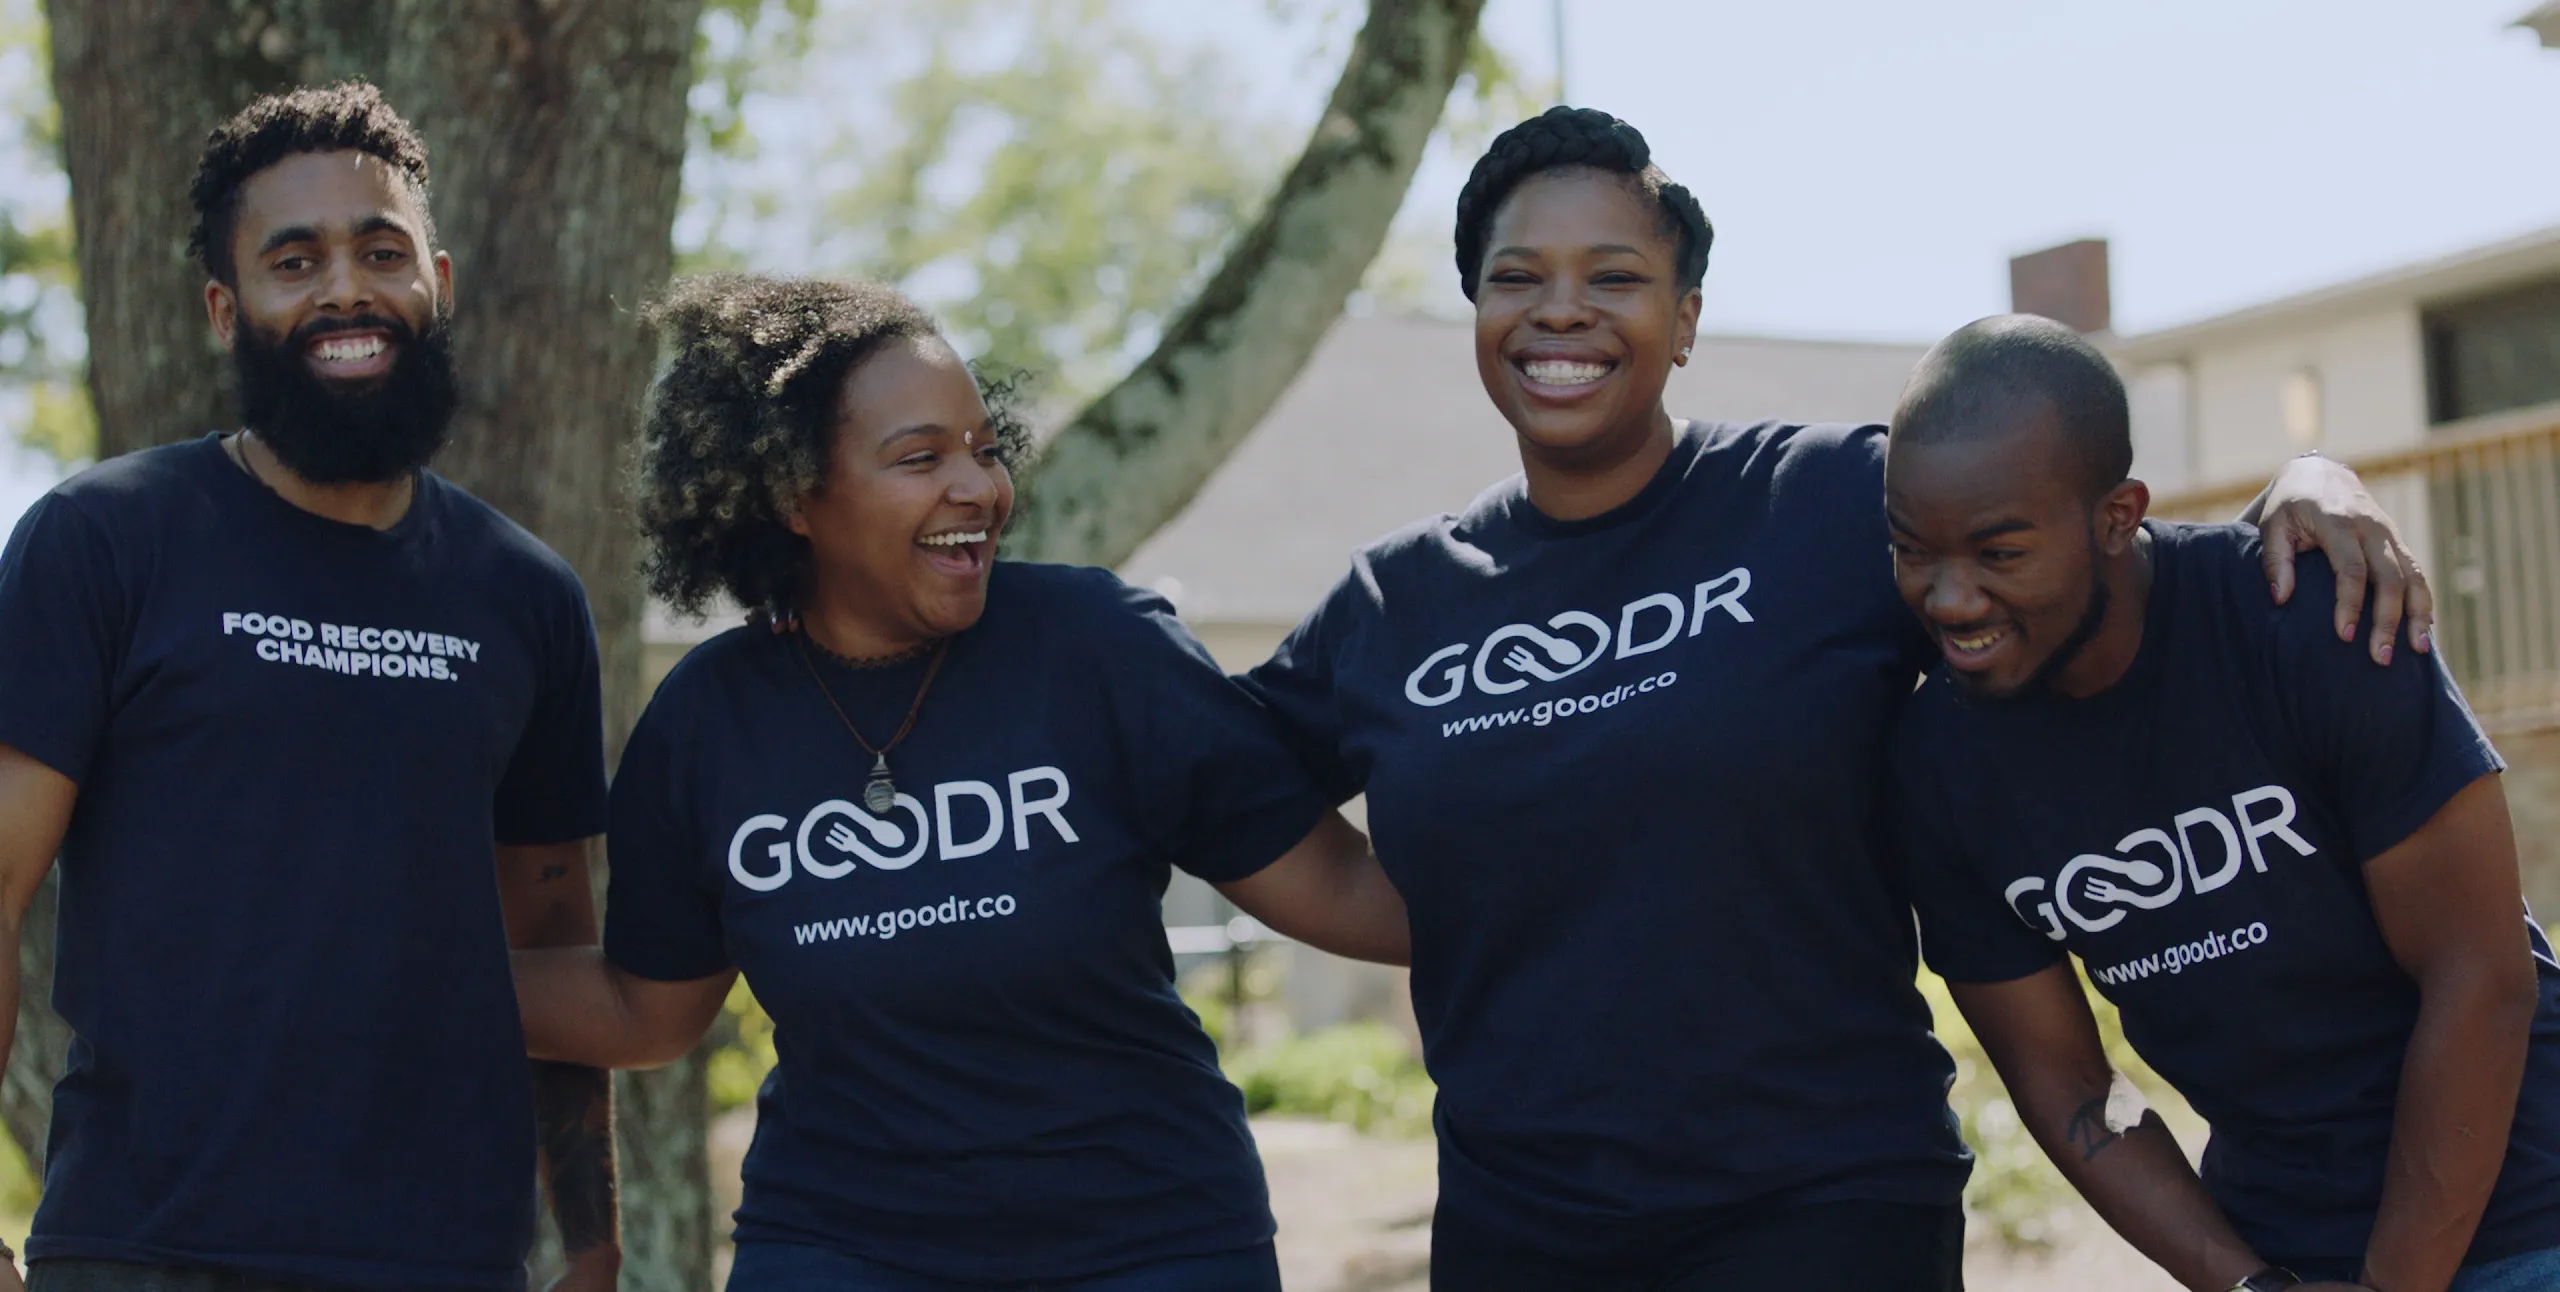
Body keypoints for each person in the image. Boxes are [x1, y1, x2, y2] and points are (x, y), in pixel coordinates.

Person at [1238, 106, 2437, 1291]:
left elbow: (2089, 556)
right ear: (1480, 311)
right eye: (1518, 277)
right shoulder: (1396, 603)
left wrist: (2311, 473)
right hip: (1520, 1220)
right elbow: (1218, 786)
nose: (1562, 310)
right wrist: (1476, 899)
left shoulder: (1821, 506)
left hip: (1825, 1198)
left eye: (1615, 276)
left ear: (1686, 318)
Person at [510, 273, 1409, 1292]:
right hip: (842, 1244)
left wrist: (1578, 903)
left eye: (984, 447)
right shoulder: (707, 723)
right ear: (793, 493)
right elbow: (646, 1011)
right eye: (920, 456)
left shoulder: (1098, 650)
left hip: (1147, 1236)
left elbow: (1336, 886)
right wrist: (371, 962)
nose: (978, 486)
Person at [0, 83, 617, 1291]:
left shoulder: (527, 595)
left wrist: (592, 1243)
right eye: (297, 259)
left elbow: (548, 938)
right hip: (148, 1248)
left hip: (447, 1258)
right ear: (226, 311)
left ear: (435, 280)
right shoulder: (104, 539)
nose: (346, 289)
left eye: (380, 252)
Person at [1880, 315, 2560, 1292]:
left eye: (1998, 553)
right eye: (1914, 551)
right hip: (2279, 1238)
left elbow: (2478, 979)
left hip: (2525, 1201)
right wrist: (2246, 1281)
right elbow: (2070, 1086)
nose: (1948, 598)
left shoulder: (2313, 623)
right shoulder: (1935, 770)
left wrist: (2394, 1282)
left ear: (2117, 515)